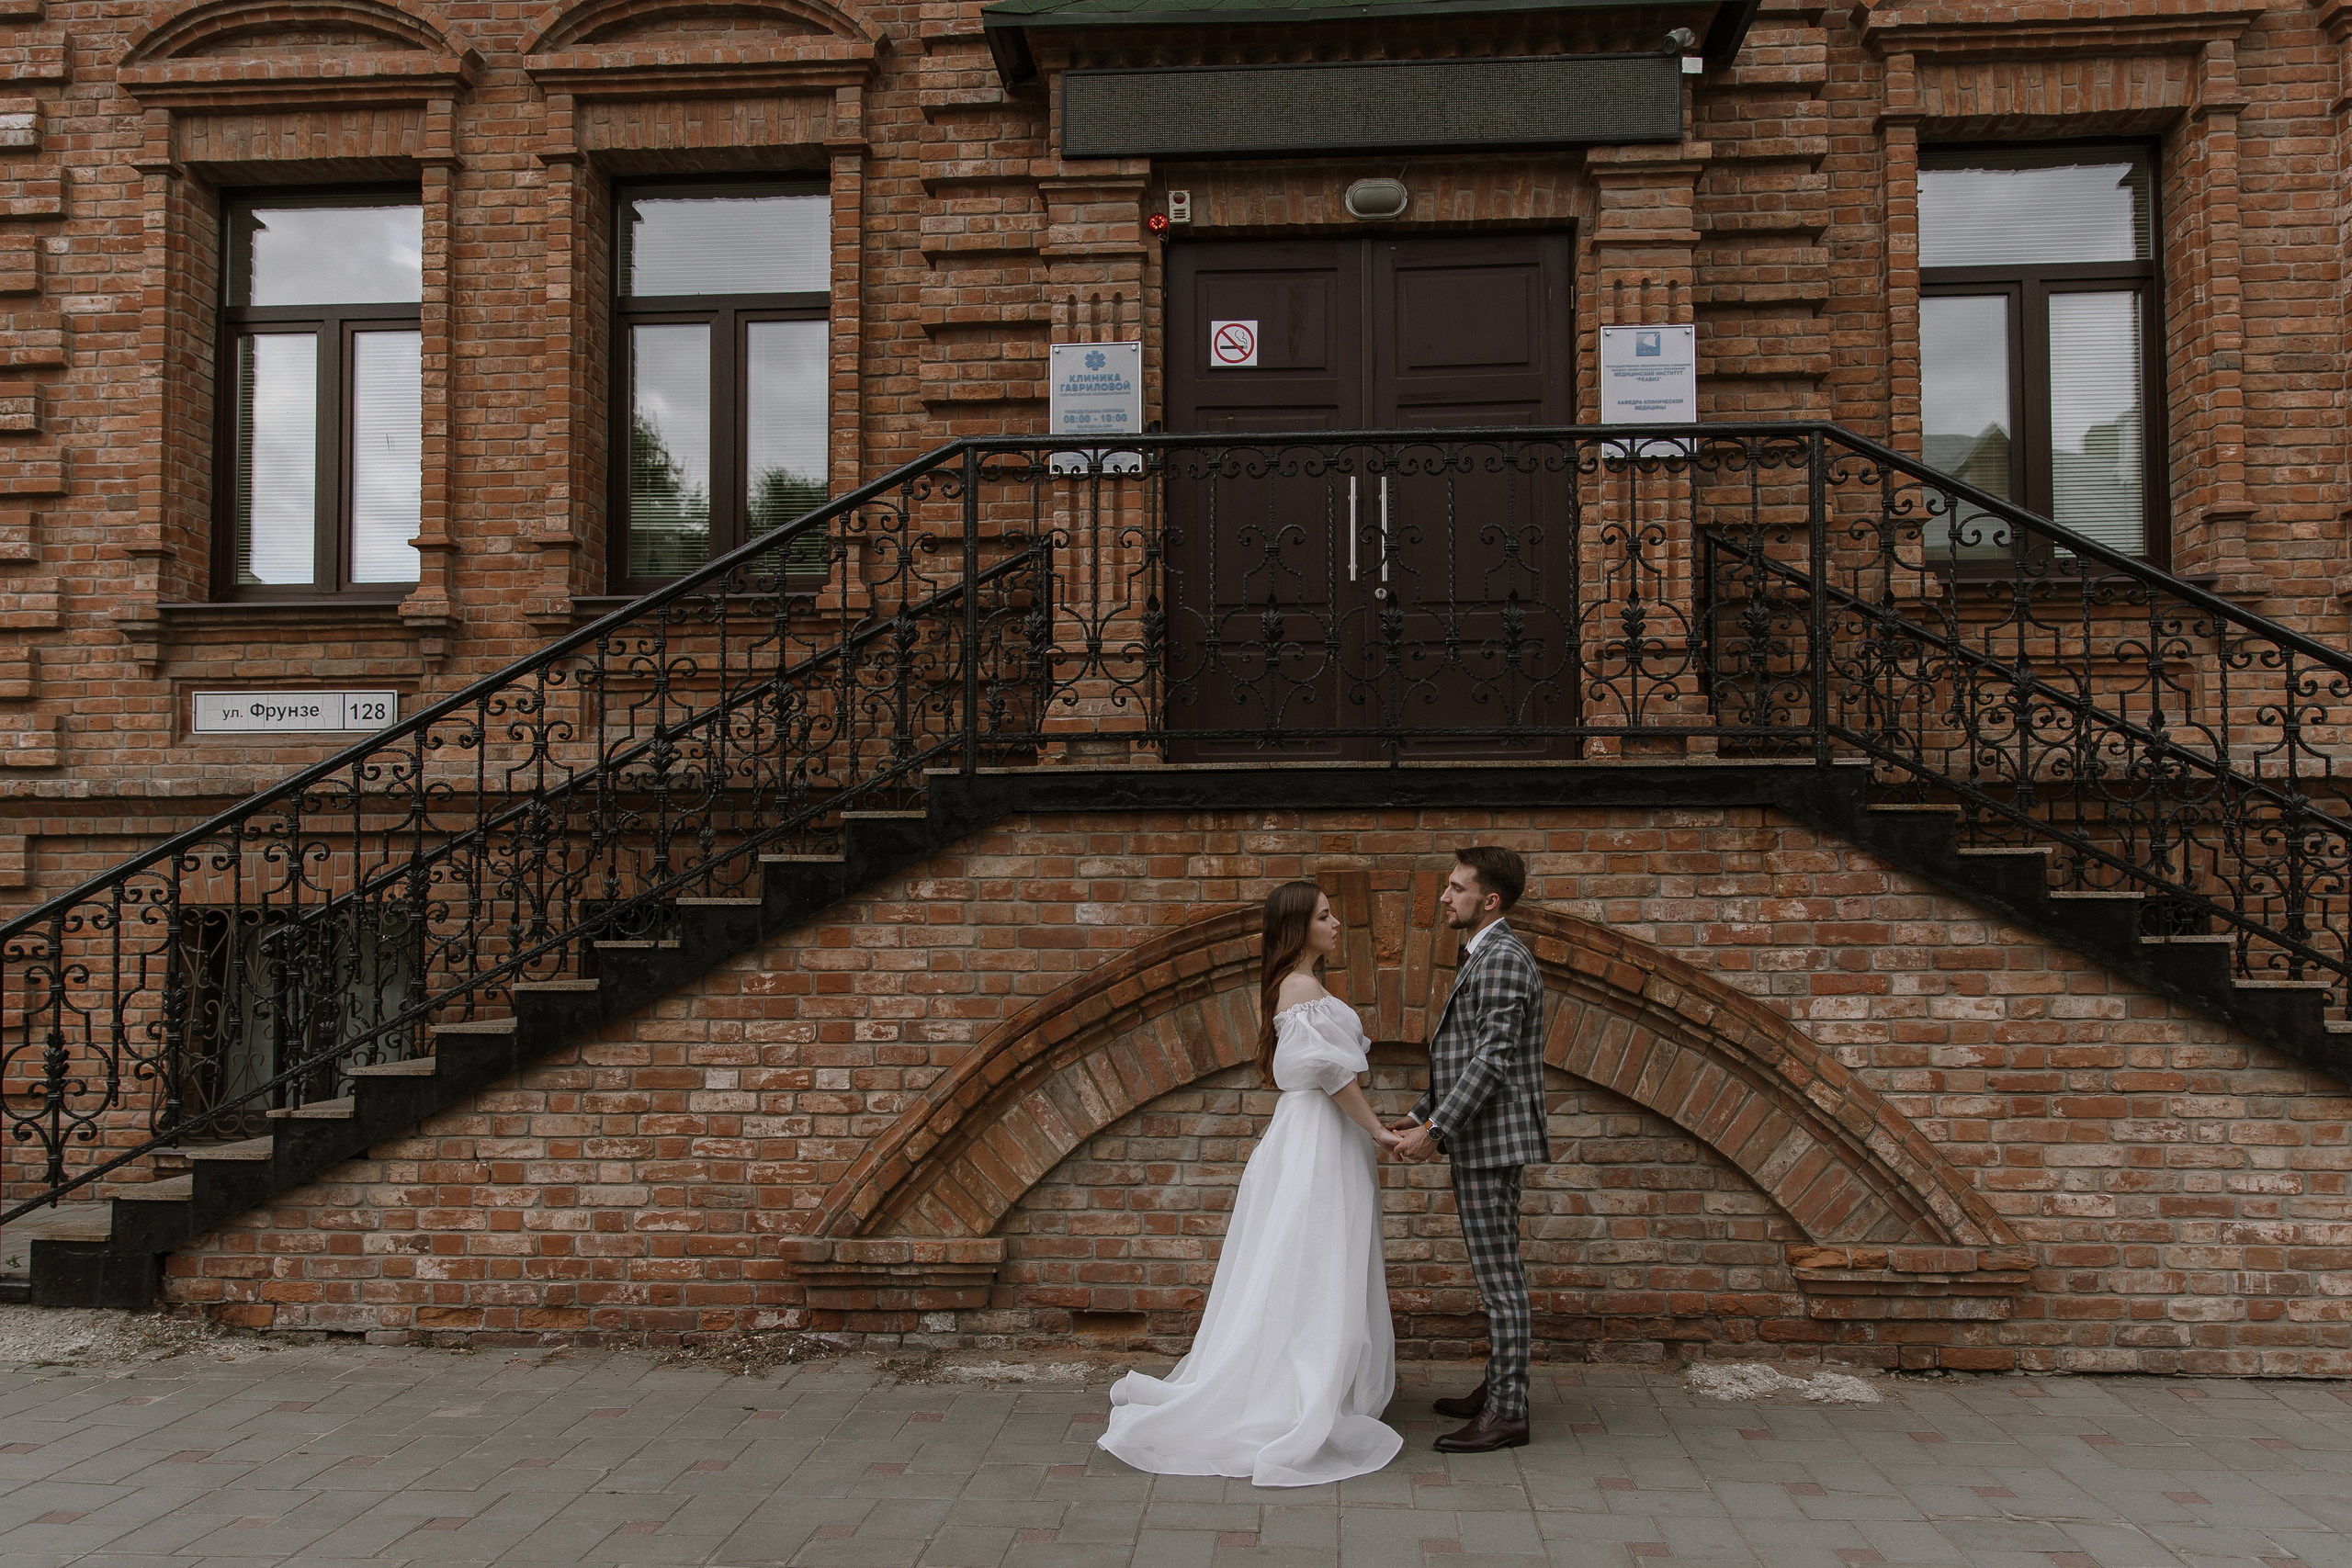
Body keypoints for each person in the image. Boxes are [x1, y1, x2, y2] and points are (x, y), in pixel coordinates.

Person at [1097, 880, 1407, 1487]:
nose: (1337, 922)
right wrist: (1378, 1131)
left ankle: (1316, 1375)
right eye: (1325, 914)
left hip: (1317, 1134)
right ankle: (1300, 1383)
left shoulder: (1304, 986)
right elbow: (1326, 1072)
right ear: (1299, 927)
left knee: (1308, 1255)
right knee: (1312, 1255)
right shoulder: (1300, 986)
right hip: (1318, 1136)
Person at [1389, 845, 1548, 1453]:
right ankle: (1501, 1386)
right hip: (1478, 1134)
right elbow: (1461, 1052)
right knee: (1498, 1270)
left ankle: (1508, 1410)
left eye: (1457, 888)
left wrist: (1436, 1131)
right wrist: (1416, 1113)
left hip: (1488, 1140)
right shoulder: (1484, 953)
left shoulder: (1502, 957)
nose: (1445, 896)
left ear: (1490, 900)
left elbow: (1493, 1056)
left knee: (1499, 1277)